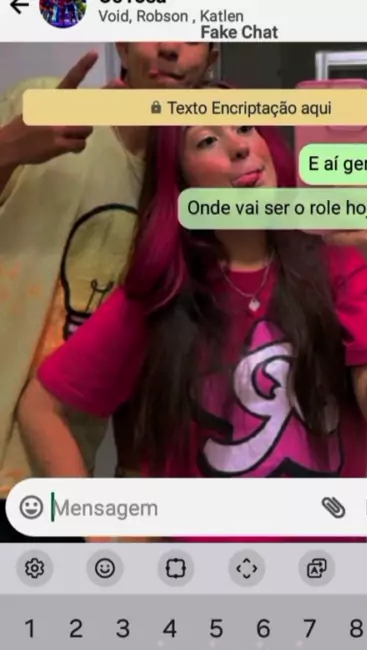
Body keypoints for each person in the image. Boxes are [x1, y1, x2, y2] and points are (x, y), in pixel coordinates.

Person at [18, 113, 367, 542]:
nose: (239, 146)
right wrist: (97, 534)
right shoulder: (162, 293)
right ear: (181, 183)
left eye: (246, 127)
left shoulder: (337, 260)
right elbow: (41, 408)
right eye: (207, 140)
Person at [0, 42, 218, 541]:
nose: (169, 47)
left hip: (49, 479)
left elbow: (145, 353)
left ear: (211, 56)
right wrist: (7, 149)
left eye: (191, 33)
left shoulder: (185, 191)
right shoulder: (43, 105)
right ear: (122, 42)